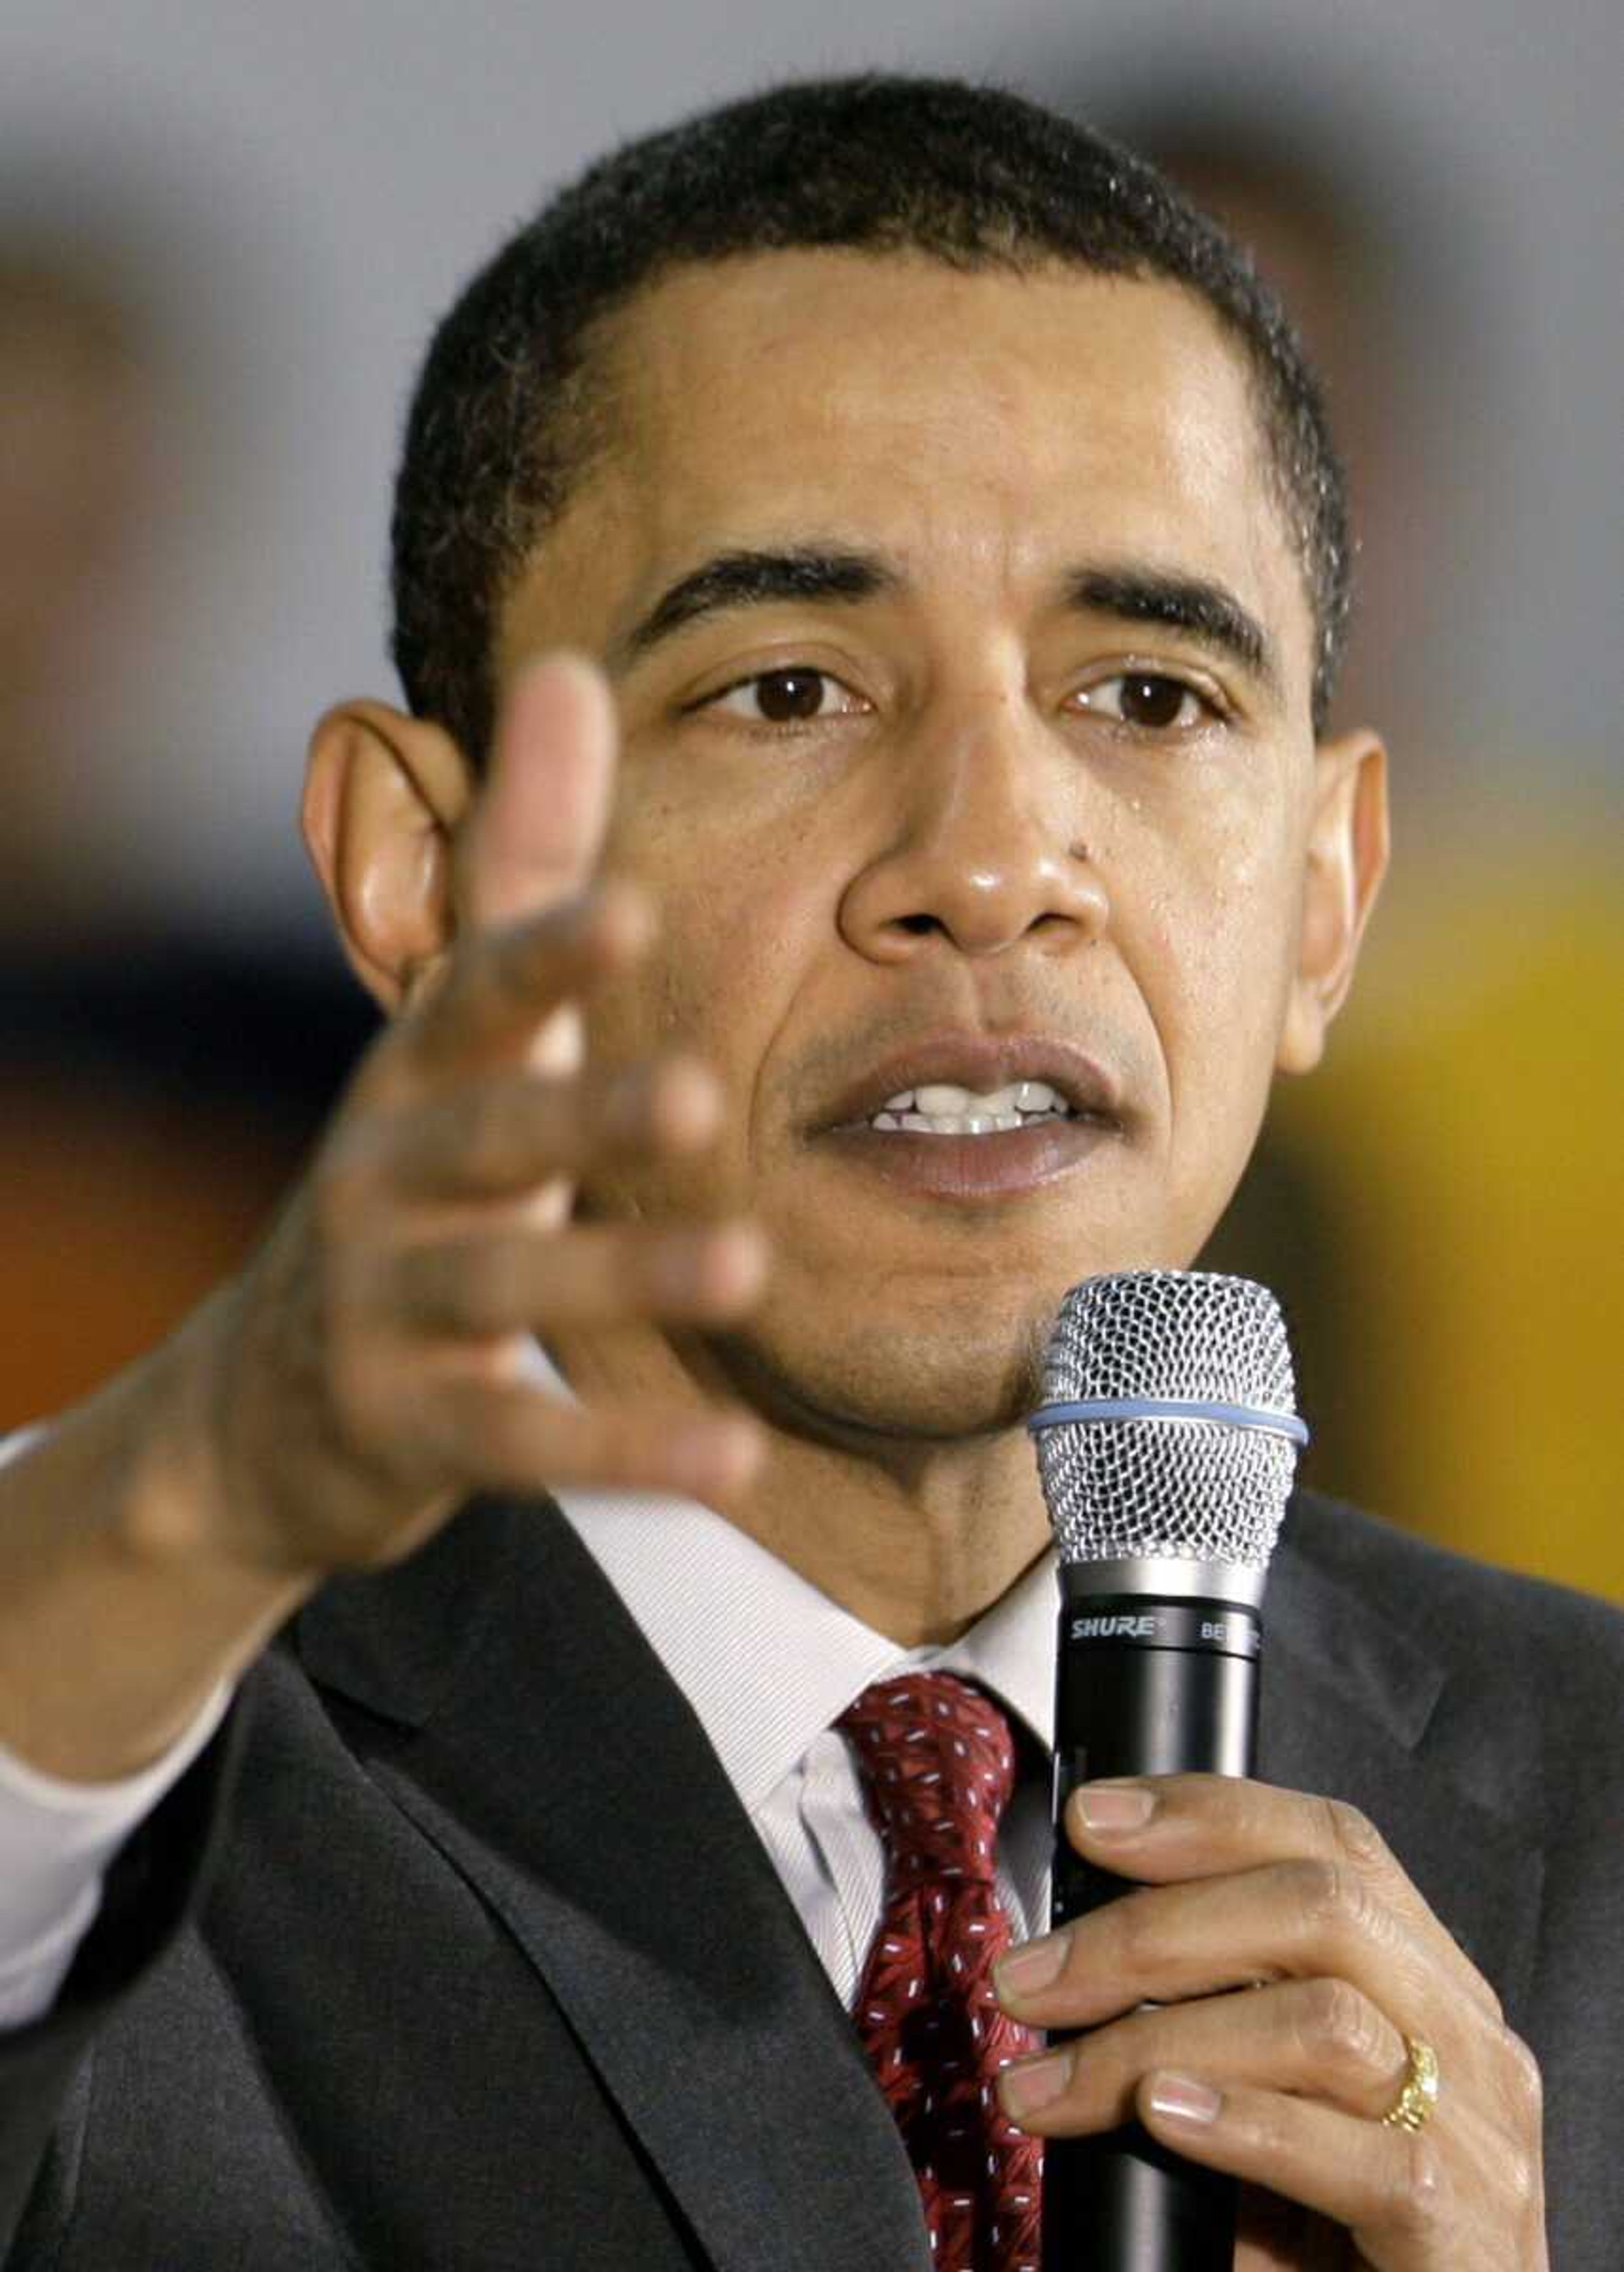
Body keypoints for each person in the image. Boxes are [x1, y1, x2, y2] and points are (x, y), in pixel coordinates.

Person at [0, 75, 1617, 2272]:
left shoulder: (1592, 1816)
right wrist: (178, 1508)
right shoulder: (114, 1764)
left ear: (1326, 898)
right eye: (788, 688)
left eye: (1147, 696)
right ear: (422, 872)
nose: (989, 865)